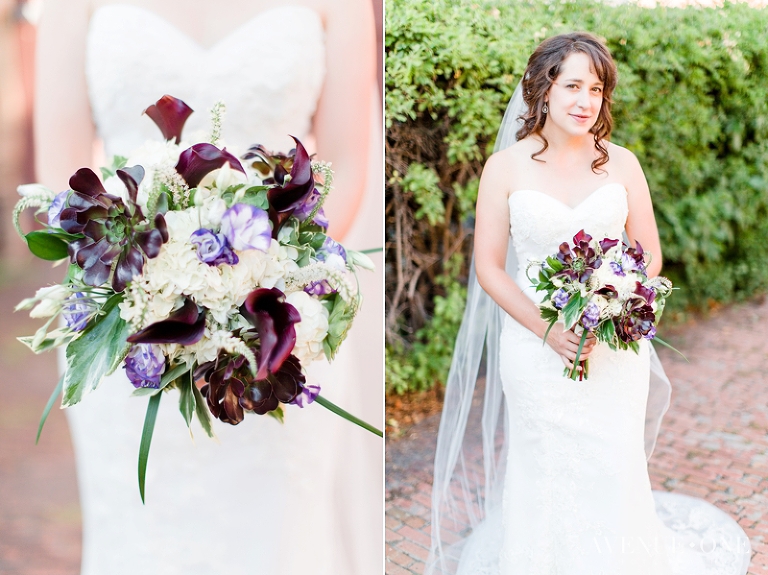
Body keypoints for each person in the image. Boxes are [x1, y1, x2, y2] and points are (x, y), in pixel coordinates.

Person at [34, 1, 382, 574]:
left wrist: (267, 277)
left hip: (275, 334)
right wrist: (150, 285)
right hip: (130, 336)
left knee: (281, 541)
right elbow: (60, 179)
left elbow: (344, 164)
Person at [427, 32, 751, 575]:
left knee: (611, 461)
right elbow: (487, 267)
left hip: (611, 348)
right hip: (534, 348)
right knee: (544, 462)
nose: (585, 101)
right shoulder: (504, 169)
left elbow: (649, 255)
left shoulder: (622, 164)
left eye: (596, 89)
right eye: (573, 85)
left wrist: (614, 299)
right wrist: (548, 331)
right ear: (544, 90)